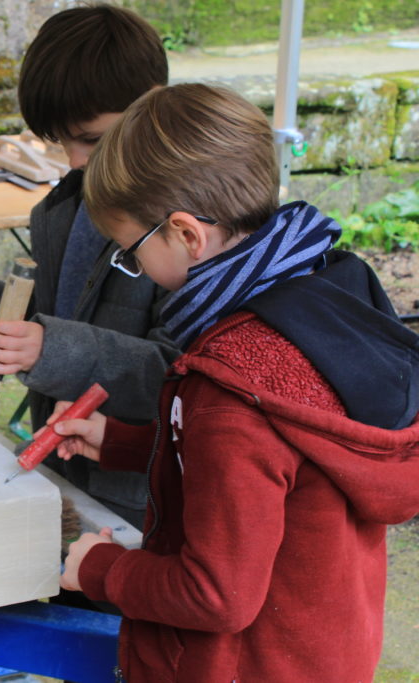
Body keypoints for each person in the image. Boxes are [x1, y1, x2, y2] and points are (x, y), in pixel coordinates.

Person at [51, 82, 419, 681]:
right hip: (322, 649)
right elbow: (274, 471)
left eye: (131, 252)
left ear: (187, 234)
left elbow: (216, 594)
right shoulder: (326, 294)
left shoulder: (233, 387)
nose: (135, 269)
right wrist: (123, 440)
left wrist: (103, 569)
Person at [0, 4, 178, 527]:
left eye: (91, 139)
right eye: (63, 141)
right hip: (65, 469)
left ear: (153, 108)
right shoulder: (66, 207)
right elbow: (60, 311)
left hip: (143, 493)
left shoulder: (185, 233)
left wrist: (54, 348)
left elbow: (179, 378)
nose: (74, 161)